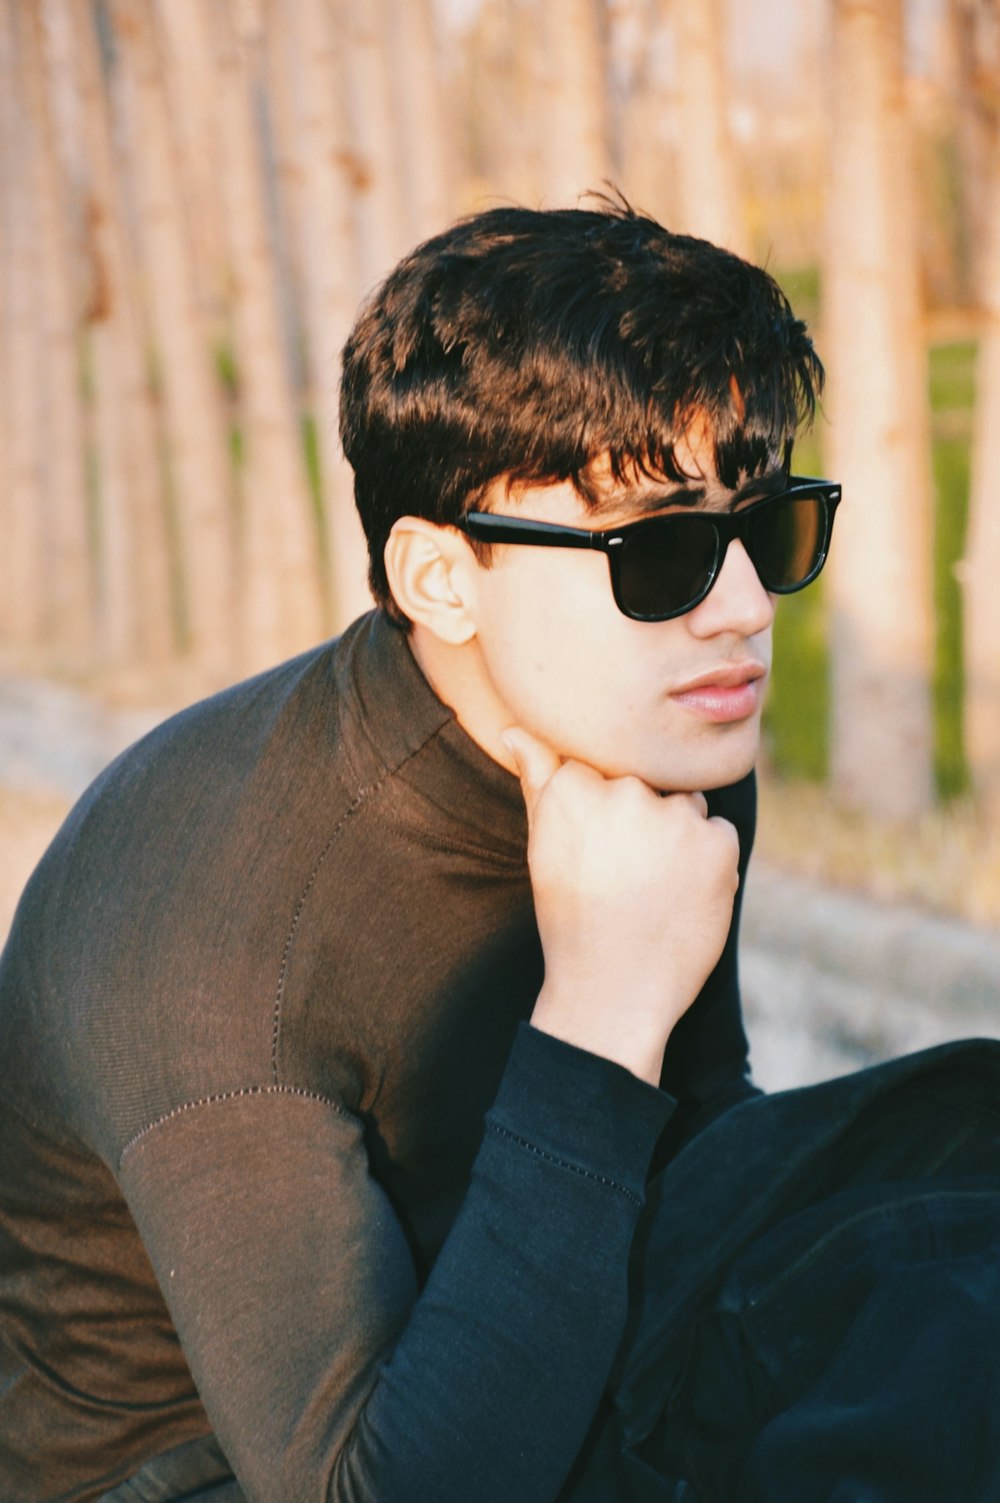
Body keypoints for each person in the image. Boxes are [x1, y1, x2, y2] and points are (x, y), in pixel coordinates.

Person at [0, 202, 835, 1501]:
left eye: (765, 530)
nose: (738, 610)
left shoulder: (654, 735)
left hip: (543, 1350)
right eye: (657, 551)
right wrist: (602, 1014)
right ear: (440, 579)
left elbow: (707, 1164)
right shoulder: (226, 938)